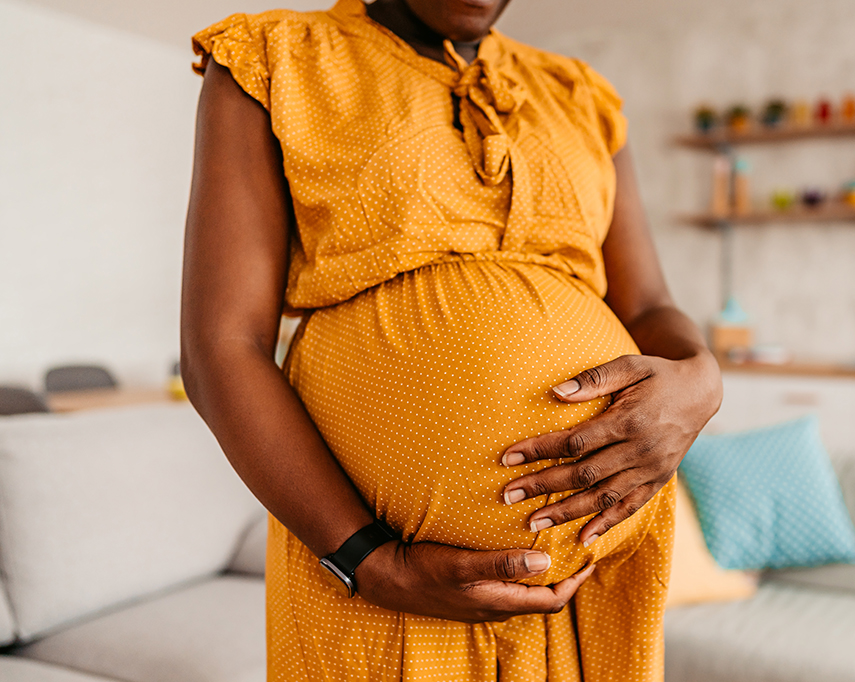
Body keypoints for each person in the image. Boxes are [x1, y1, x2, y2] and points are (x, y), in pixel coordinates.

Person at [181, 0, 722, 679]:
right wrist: (369, 561)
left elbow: (647, 304)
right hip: (380, 584)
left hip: (590, 590)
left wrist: (702, 377)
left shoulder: (578, 95)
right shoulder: (274, 60)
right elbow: (221, 347)